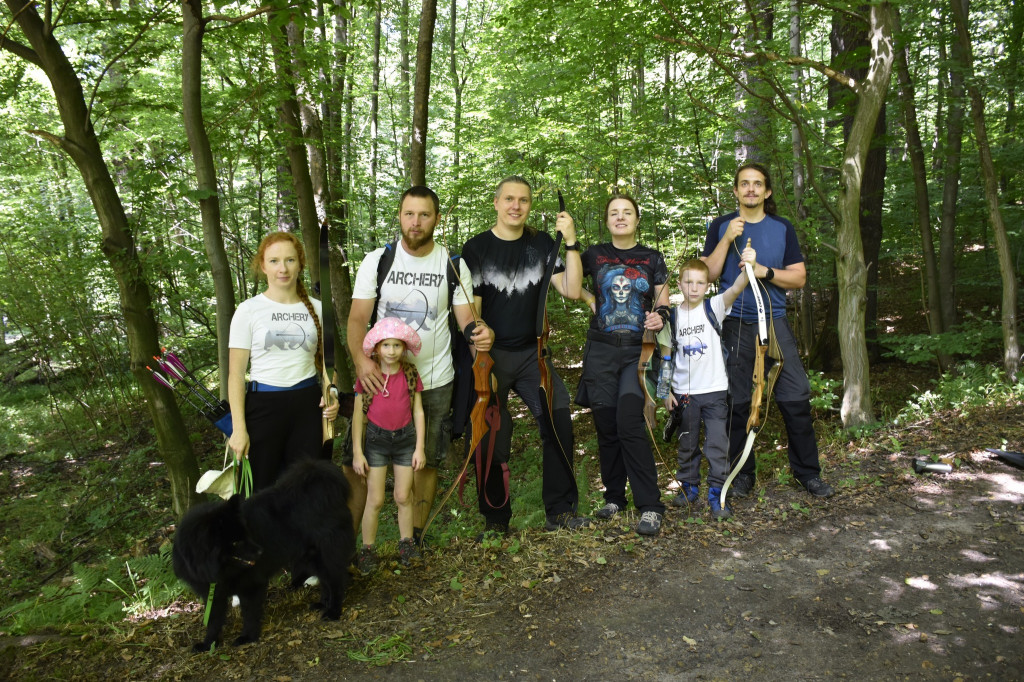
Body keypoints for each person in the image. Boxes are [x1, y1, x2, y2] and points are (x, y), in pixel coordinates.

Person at [348, 186, 493, 546]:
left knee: (426, 460)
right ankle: (350, 546)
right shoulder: (378, 261)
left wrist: (481, 332)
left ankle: (414, 537)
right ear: (399, 215)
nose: (416, 222)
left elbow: (466, 321)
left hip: (433, 381)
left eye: (424, 215)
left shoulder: (453, 265)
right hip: (380, 381)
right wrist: (362, 364)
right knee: (364, 463)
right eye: (409, 214)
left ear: (436, 219)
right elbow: (357, 320)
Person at [459, 176, 586, 537]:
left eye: (524, 200)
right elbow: (473, 314)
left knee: (558, 419)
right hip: (492, 355)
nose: (516, 206)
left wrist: (572, 242)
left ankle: (560, 512)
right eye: (510, 199)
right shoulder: (476, 249)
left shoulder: (543, 244)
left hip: (534, 356)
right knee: (489, 434)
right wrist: (482, 363)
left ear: (530, 206)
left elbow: (572, 289)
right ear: (496, 202)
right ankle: (496, 521)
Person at [701, 162, 834, 499]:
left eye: (757, 184)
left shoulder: (782, 228)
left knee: (795, 394)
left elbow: (799, 277)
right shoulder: (720, 225)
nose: (750, 189)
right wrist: (727, 238)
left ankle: (807, 473)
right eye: (744, 184)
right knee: (736, 401)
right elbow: (708, 274)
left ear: (767, 191)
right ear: (735, 191)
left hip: (772, 320)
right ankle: (741, 475)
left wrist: (763, 271)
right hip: (733, 323)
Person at [574, 195, 669, 536]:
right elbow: (567, 283)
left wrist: (660, 318)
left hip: (637, 352)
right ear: (606, 219)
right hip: (600, 351)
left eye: (627, 212)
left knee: (629, 420)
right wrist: (588, 297)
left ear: (637, 218)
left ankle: (651, 506)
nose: (620, 217)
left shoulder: (651, 257)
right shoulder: (593, 255)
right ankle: (615, 497)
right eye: (613, 212)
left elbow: (663, 302)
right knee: (606, 426)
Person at [227, 231, 340, 492]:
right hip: (263, 408)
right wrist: (239, 429)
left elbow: (327, 365)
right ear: (263, 265)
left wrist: (330, 394)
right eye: (275, 261)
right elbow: (235, 375)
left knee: (306, 491)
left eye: (290, 260)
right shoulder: (248, 310)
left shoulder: (318, 309)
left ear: (300, 263)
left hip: (307, 408)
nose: (283, 268)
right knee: (257, 494)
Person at [664, 253, 755, 520]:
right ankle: (690, 487)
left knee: (717, 444)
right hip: (684, 394)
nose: (694, 288)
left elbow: (737, 287)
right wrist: (665, 392)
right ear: (679, 284)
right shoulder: (671, 318)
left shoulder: (714, 307)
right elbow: (667, 357)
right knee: (687, 444)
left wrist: (748, 266)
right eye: (688, 282)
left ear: (707, 286)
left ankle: (718, 494)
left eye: (700, 283)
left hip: (715, 392)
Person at [351, 317, 426, 571]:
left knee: (404, 496)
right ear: (376, 348)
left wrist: (419, 447)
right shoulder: (368, 375)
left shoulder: (410, 373)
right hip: (376, 441)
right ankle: (367, 550)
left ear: (403, 348)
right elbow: (358, 415)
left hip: (405, 440)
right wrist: (357, 452)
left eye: (396, 345)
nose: (391, 351)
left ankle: (406, 544)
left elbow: (418, 411)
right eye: (386, 345)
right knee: (376, 499)